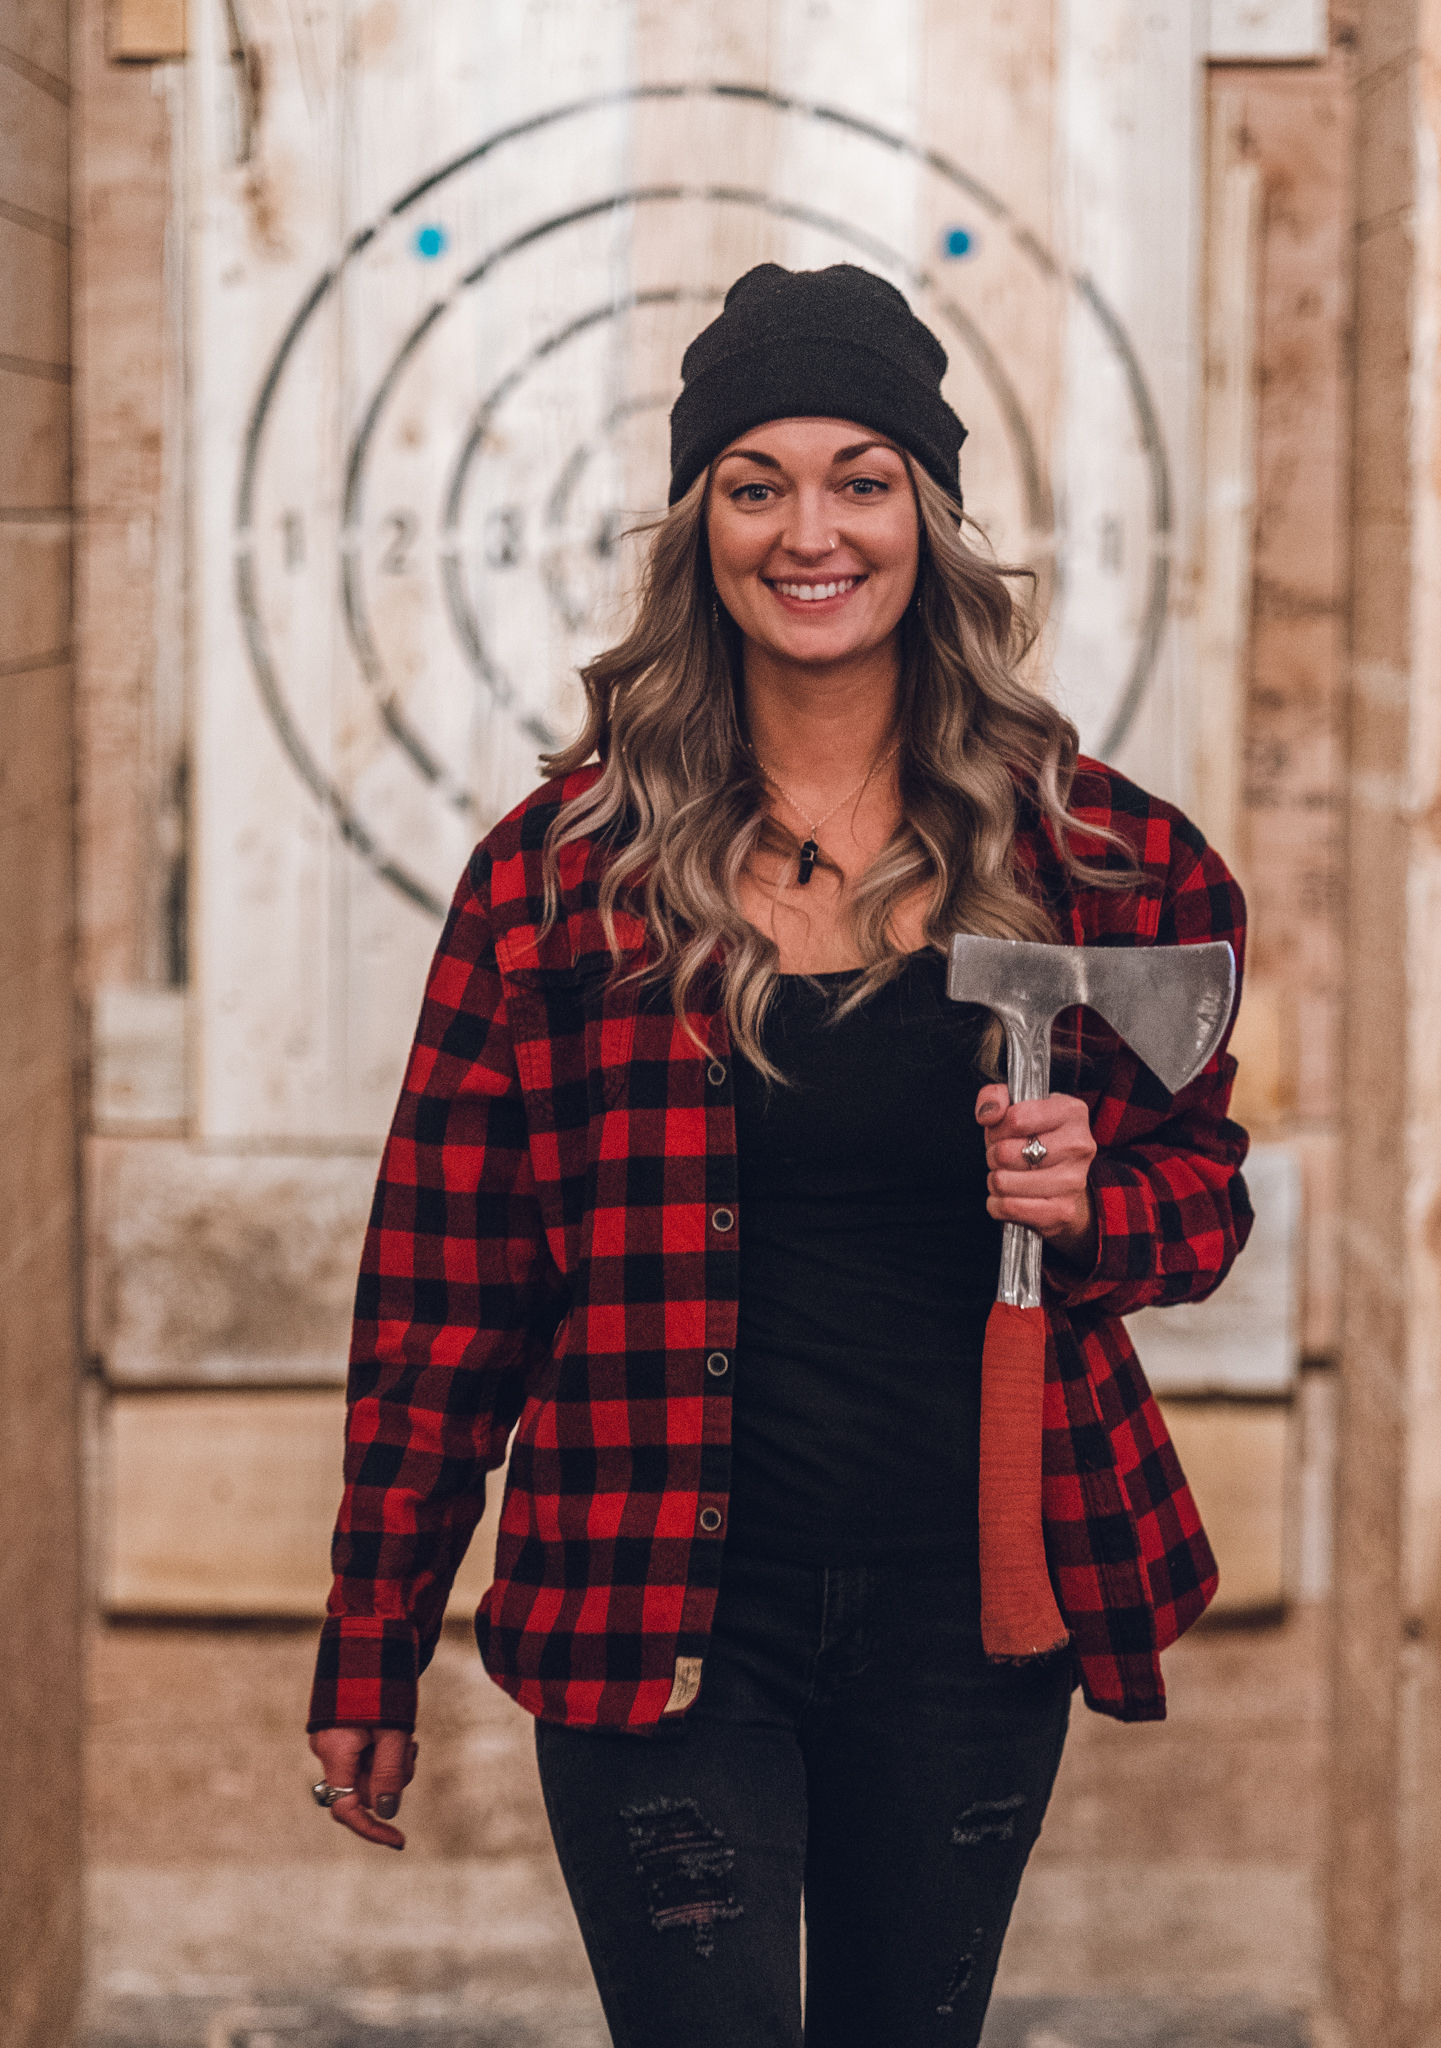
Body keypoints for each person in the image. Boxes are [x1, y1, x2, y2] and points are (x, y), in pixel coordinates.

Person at [307, 262, 1252, 2048]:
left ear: (927, 518)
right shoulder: (558, 879)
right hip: (654, 1604)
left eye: (859, 480)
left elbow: (1206, 1193)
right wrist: (376, 1631)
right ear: (701, 527)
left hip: (970, 1612)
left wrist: (1097, 1206)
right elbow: (444, 1299)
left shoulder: (1103, 864)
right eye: (756, 485)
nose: (810, 533)